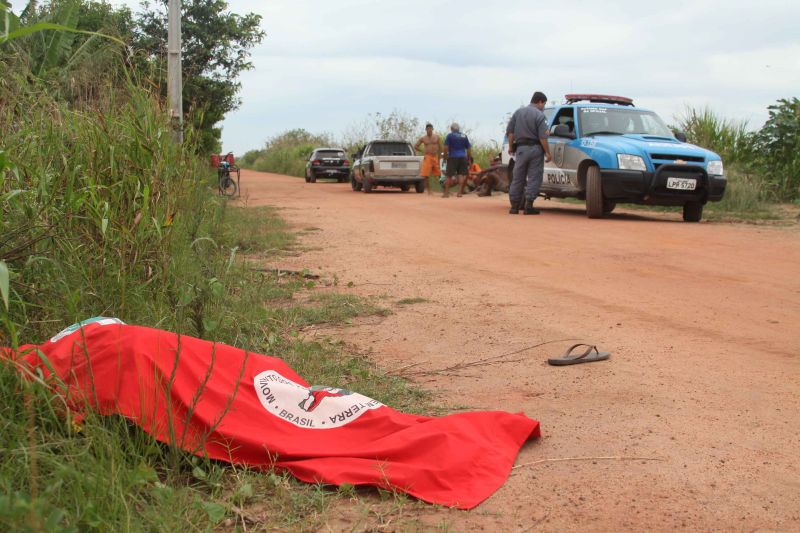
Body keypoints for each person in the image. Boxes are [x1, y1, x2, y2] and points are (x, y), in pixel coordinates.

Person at [506, 91, 552, 215]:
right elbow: (543, 137)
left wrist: (511, 147)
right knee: (534, 177)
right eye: (544, 104)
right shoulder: (540, 115)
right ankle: (528, 206)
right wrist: (547, 152)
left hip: (520, 149)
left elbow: (510, 132)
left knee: (518, 177)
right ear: (540, 102)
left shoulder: (518, 112)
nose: (544, 107)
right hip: (535, 149)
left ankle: (514, 207)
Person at [443, 123, 472, 198]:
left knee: (449, 175)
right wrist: (468, 158)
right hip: (463, 157)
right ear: (458, 129)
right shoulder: (464, 136)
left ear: (452, 129)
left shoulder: (450, 136)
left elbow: (446, 147)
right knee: (461, 175)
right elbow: (468, 148)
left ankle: (446, 193)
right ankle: (459, 193)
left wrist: (445, 157)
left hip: (453, 157)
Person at [414, 123, 442, 193]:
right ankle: (429, 190)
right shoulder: (423, 138)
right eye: (428, 129)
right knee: (426, 174)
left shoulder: (437, 137)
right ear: (426, 129)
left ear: (432, 129)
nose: (429, 130)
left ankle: (444, 189)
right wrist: (423, 150)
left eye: (430, 128)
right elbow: (416, 146)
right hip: (428, 156)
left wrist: (440, 156)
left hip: (435, 156)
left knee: (439, 174)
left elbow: (440, 147)